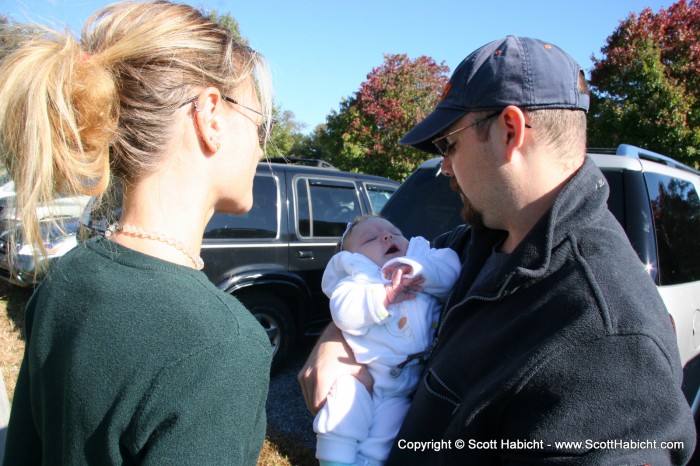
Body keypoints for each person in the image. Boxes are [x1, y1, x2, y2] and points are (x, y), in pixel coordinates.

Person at [299, 35, 696, 464]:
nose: (444, 168)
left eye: (449, 145)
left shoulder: (608, 338)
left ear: (510, 130)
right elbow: (382, 283)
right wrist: (335, 342)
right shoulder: (478, 240)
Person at [0, 2, 274, 464]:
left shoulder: (69, 272)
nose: (262, 144)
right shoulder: (223, 345)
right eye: (259, 121)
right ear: (211, 115)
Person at [315, 215, 460, 466]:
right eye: (370, 238)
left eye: (394, 232)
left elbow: (452, 271)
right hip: (369, 378)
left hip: (407, 389)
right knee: (343, 407)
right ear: (355, 257)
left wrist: (421, 271)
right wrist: (383, 296)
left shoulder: (426, 259)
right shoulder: (357, 279)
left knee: (386, 436)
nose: (386, 236)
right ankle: (334, 461)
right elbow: (343, 313)